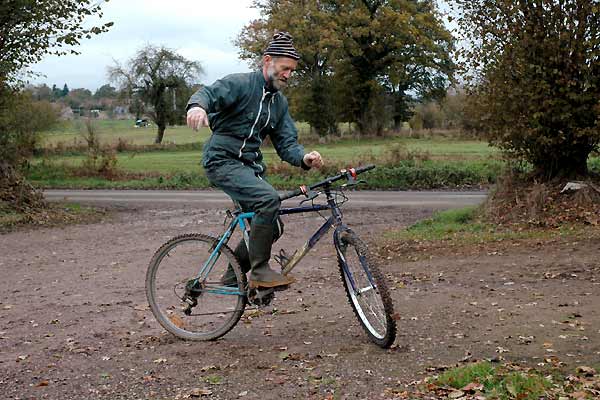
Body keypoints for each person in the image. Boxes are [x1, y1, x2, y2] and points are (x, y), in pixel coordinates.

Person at [186, 31, 323, 290]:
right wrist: (197, 106)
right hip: (222, 161)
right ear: (268, 61)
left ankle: (232, 280)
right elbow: (208, 94)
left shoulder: (278, 103)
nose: (288, 75)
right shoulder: (241, 84)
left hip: (249, 167)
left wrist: (304, 158)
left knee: (273, 229)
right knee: (267, 200)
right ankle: (260, 272)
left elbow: (287, 144)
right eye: (285, 68)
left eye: (292, 71)